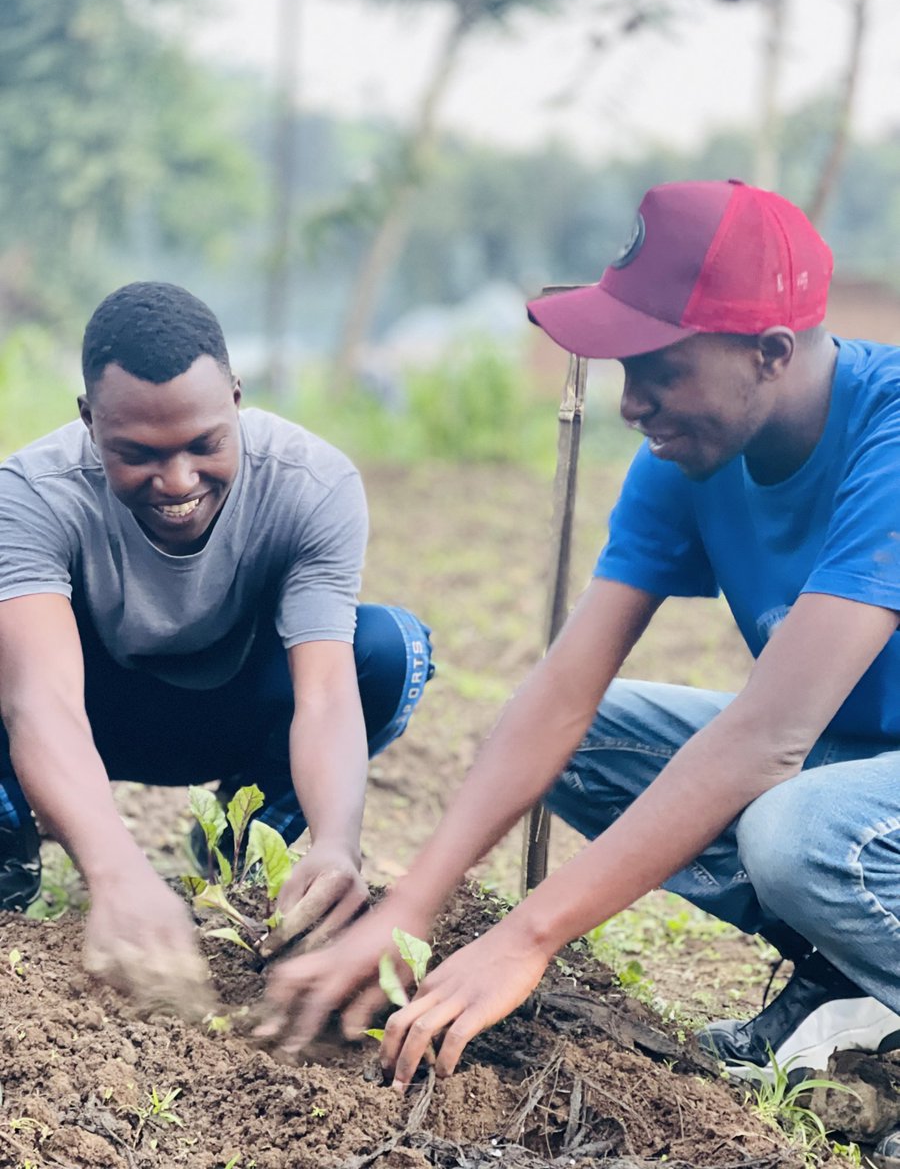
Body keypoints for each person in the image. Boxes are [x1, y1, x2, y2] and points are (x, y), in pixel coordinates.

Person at [255, 179, 900, 1164]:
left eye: (661, 370)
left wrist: (527, 936)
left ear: (770, 352)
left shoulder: (889, 435)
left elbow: (768, 737)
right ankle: (848, 974)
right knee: (593, 737)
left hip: (849, 802)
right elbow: (564, 692)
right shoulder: (688, 455)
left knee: (797, 831)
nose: (631, 402)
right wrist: (411, 907)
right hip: (869, 773)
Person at [0, 281, 433, 1012]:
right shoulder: (35, 494)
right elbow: (39, 701)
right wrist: (114, 872)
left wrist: (337, 844)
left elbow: (327, 693)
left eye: (205, 445)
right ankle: (12, 839)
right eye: (137, 453)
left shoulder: (311, 484)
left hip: (229, 705)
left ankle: (239, 842)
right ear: (88, 420)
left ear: (235, 397)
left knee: (388, 651)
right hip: (88, 711)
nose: (177, 480)